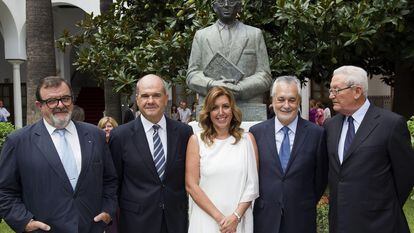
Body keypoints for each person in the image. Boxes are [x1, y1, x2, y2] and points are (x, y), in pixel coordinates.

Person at [0, 76, 118, 233]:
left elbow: (110, 180)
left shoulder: (95, 135)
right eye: (52, 101)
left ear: (72, 100)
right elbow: (5, 191)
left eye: (65, 99)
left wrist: (108, 211)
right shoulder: (18, 141)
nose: (60, 105)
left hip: (92, 227)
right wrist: (24, 222)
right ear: (39, 105)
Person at [324, 65, 414, 233]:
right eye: (331, 90)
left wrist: (382, 208)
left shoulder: (391, 124)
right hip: (340, 223)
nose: (331, 96)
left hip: (380, 224)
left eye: (336, 90)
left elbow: (406, 176)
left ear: (357, 91)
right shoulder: (331, 125)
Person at [109, 74, 193, 233]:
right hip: (136, 222)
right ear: (137, 99)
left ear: (166, 98)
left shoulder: (184, 133)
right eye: (145, 96)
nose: (150, 101)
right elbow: (114, 182)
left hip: (176, 221)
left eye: (156, 95)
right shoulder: (120, 136)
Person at [249, 76, 328, 233]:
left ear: (298, 101)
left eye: (292, 100)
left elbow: (320, 179)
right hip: (265, 218)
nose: (286, 105)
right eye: (281, 99)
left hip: (301, 218)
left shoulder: (316, 134)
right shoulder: (256, 133)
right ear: (272, 101)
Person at [186, 86, 259, 233]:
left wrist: (235, 217)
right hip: (205, 220)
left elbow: (252, 185)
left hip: (238, 221)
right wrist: (221, 219)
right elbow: (191, 186)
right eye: (215, 108)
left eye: (225, 106)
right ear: (208, 112)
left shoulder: (247, 140)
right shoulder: (197, 141)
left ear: (232, 110)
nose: (221, 112)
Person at [186, 0, 272, 104]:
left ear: (239, 6)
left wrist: (240, 88)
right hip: (213, 105)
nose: (226, 5)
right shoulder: (201, 36)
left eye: (231, 1)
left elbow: (265, 76)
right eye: (221, 2)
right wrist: (212, 84)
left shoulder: (254, 34)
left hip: (248, 105)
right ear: (214, 7)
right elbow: (192, 75)